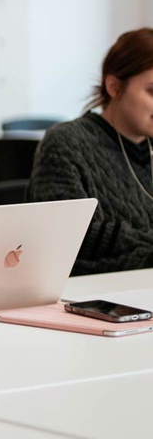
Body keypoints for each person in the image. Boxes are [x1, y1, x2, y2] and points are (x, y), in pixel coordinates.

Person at [28, 28, 153, 275]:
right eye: (152, 91)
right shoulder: (67, 143)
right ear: (114, 87)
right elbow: (71, 238)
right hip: (87, 295)